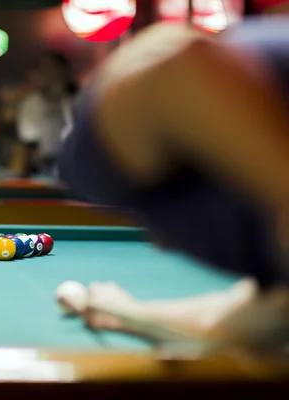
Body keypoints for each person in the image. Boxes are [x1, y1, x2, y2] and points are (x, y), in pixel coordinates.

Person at [57, 18, 289, 350]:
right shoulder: (103, 155)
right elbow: (176, 66)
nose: (158, 244)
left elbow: (180, 67)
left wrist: (130, 313)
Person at [16, 52, 77, 177]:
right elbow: (28, 138)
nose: (51, 73)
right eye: (47, 69)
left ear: (65, 70)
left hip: (76, 162)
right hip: (45, 163)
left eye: (55, 68)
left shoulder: (80, 100)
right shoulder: (32, 103)